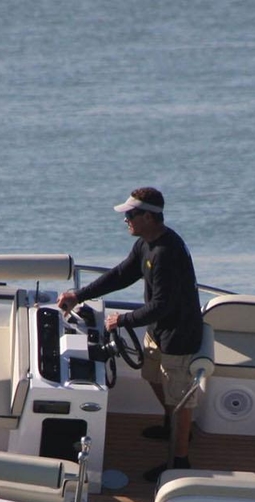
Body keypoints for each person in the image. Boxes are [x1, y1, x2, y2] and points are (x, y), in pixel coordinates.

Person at [57, 187, 204, 482]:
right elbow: (121, 274)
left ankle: (180, 459)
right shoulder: (146, 244)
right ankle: (172, 426)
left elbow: (162, 305)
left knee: (179, 398)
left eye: (130, 214)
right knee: (152, 376)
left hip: (178, 336)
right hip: (159, 330)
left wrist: (123, 320)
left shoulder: (166, 253)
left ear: (148, 217)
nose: (126, 220)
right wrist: (79, 295)